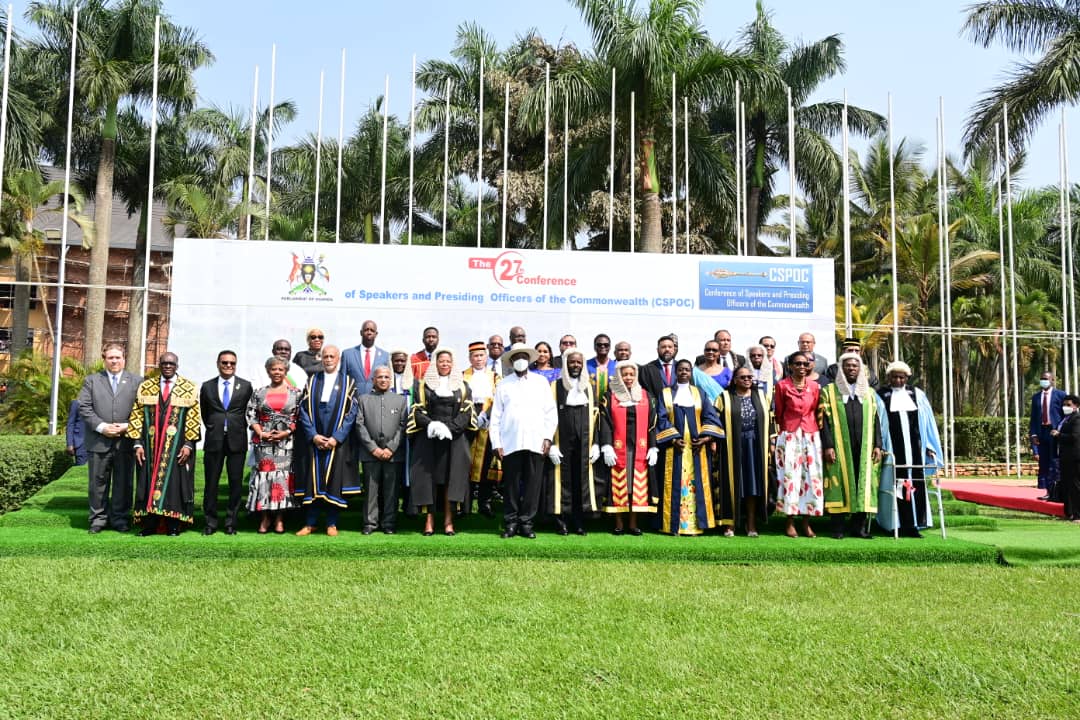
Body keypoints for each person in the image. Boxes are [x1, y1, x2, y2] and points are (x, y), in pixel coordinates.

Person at [127, 352, 201, 536]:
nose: (168, 366)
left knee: (174, 484)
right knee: (147, 481)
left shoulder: (189, 388)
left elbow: (194, 418)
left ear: (177, 365)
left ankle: (173, 525)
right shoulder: (146, 387)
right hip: (150, 447)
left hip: (176, 447)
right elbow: (136, 415)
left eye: (171, 363)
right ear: (159, 365)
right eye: (164, 363)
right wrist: (137, 443)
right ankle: (149, 525)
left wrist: (189, 445)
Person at [489, 343, 558, 538]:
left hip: (536, 441)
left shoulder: (540, 382)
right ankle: (510, 522)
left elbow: (550, 413)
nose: (520, 360)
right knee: (510, 484)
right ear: (511, 361)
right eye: (516, 356)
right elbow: (496, 416)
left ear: (529, 359)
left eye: (523, 356)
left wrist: (547, 437)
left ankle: (526, 522)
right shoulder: (504, 384)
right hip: (510, 441)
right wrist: (497, 443)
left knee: (532, 484)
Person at [406, 348, 476, 536]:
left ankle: (448, 521)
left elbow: (467, 413)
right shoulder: (423, 385)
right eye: (441, 361)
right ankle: (429, 520)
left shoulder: (463, 386)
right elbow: (417, 411)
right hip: (429, 438)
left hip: (454, 440)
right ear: (435, 363)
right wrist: (432, 426)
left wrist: (449, 429)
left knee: (449, 481)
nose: (444, 364)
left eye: (447, 361)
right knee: (428, 479)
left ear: (452, 364)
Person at [819, 353, 886, 539]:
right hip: (840, 448)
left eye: (855, 366)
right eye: (847, 365)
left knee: (862, 484)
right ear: (841, 368)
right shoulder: (830, 391)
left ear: (861, 369)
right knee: (839, 483)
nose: (851, 369)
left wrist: (877, 445)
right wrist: (828, 446)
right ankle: (838, 528)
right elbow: (822, 421)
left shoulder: (869, 393)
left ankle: (859, 528)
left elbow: (876, 421)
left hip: (864, 449)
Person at [296, 345, 360, 536]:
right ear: (321, 358)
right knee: (313, 480)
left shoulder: (349, 382)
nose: (329, 359)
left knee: (333, 480)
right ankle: (310, 523)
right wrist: (313, 435)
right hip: (315, 439)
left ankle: (331, 523)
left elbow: (352, 413)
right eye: (325, 356)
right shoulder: (312, 380)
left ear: (338, 358)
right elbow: (303, 411)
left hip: (336, 441)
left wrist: (337, 438)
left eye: (332, 356)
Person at [655, 359, 724, 535]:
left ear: (691, 372)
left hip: (697, 449)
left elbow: (710, 416)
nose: (684, 372)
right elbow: (661, 418)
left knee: (697, 486)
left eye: (687, 369)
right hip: (674, 449)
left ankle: (696, 526)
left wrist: (706, 438)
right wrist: (673, 439)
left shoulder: (700, 393)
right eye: (681, 369)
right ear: (676, 372)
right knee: (673, 484)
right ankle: (672, 526)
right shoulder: (665, 393)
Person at [77, 343, 139, 533]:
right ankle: (98, 519)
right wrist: (102, 427)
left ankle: (120, 519)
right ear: (104, 360)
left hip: (125, 443)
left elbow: (143, 410)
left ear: (124, 359)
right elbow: (84, 407)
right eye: (110, 358)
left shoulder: (137, 382)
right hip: (99, 442)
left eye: (117, 357)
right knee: (97, 483)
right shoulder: (92, 381)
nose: (114, 361)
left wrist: (128, 426)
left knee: (123, 483)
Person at [877, 361, 943, 538]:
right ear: (889, 377)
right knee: (896, 484)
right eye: (894, 377)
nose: (898, 380)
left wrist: (929, 446)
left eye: (902, 377)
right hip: (892, 449)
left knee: (915, 484)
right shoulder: (881, 395)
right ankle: (897, 523)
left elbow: (927, 422)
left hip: (916, 450)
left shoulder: (917, 395)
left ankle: (914, 523)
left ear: (907, 378)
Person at [598, 361, 658, 534]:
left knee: (635, 487)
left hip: (640, 448)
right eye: (625, 374)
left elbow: (652, 423)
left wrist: (653, 446)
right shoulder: (609, 396)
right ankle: (619, 524)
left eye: (632, 374)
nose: (629, 377)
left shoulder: (646, 396)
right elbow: (605, 422)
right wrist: (607, 445)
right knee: (619, 485)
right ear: (618, 376)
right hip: (619, 449)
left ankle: (633, 523)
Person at [545, 349, 601, 535]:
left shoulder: (589, 387)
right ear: (565, 364)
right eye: (572, 362)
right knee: (562, 479)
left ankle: (579, 520)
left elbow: (597, 416)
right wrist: (551, 443)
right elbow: (547, 416)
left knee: (580, 480)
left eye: (578, 362)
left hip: (584, 441)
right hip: (562, 440)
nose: (575, 365)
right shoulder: (555, 386)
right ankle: (561, 520)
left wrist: (596, 443)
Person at [714, 367, 773, 537]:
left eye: (749, 377)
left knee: (752, 484)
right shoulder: (724, 398)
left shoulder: (762, 397)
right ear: (734, 380)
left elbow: (771, 420)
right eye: (743, 377)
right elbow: (714, 420)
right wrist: (714, 441)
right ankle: (729, 522)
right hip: (732, 445)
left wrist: (771, 443)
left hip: (756, 444)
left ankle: (751, 522)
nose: (747, 380)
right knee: (733, 482)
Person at [199, 350, 253, 535]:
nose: (228, 366)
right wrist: (217, 426)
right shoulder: (207, 386)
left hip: (237, 441)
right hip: (214, 440)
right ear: (218, 363)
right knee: (211, 483)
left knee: (235, 483)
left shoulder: (246, 386)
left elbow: (249, 412)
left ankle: (231, 523)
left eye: (232, 363)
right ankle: (210, 523)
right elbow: (205, 413)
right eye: (225, 363)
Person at [246, 356, 301, 534]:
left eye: (280, 369)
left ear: (286, 371)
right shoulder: (259, 392)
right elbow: (251, 415)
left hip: (286, 444)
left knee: (282, 480)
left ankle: (279, 519)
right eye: (273, 369)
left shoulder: (296, 393)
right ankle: (265, 518)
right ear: (268, 371)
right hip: (264, 443)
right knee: (264, 479)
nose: (277, 372)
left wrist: (287, 431)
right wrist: (261, 432)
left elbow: (300, 417)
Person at [774, 351, 824, 537]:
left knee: (810, 477)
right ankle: (789, 521)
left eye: (805, 364)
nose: (802, 367)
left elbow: (816, 410)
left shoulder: (815, 386)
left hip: (810, 435)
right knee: (790, 477)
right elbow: (779, 412)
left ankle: (806, 521)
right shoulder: (782, 386)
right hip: (789, 434)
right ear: (791, 366)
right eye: (798, 364)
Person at [355, 366, 408, 534]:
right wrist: (373, 448)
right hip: (371, 454)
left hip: (393, 455)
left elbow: (403, 426)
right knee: (371, 491)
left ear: (390, 380)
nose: (383, 380)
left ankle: (389, 524)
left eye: (386, 377)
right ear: (373, 380)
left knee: (391, 491)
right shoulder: (363, 399)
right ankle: (370, 524)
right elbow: (359, 425)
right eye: (380, 377)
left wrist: (391, 448)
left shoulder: (400, 400)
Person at [463, 341, 500, 516]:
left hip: (488, 419)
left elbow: (498, 399)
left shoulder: (494, 376)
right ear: (470, 358)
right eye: (475, 356)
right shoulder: (463, 375)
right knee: (466, 462)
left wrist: (487, 415)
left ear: (486, 357)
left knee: (486, 463)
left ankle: (485, 503)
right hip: (468, 420)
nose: (478, 359)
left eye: (481, 355)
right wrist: (471, 416)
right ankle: (466, 504)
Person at [1030, 371, 1066, 498]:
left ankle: (1054, 491)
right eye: (1041, 378)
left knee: (1054, 462)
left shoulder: (1061, 395)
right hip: (1041, 432)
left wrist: (1061, 431)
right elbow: (1033, 418)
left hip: (1054, 431)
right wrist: (1033, 435)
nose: (1043, 381)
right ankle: (1045, 490)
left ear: (1052, 380)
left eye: (1045, 378)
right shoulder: (1036, 397)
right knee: (1043, 462)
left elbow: (1065, 415)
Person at [341, 319, 389, 397]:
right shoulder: (347, 355)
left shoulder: (385, 356)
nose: (369, 332)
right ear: (361, 333)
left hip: (375, 402)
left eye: (372, 330)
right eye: (366, 330)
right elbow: (342, 380)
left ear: (376, 334)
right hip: (354, 403)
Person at [1052, 394, 1080, 522]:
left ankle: (1077, 514)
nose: (1065, 407)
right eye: (1064, 405)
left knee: (1075, 486)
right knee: (1066, 485)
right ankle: (1068, 513)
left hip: (1074, 457)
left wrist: (1059, 434)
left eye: (1068, 405)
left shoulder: (1077, 419)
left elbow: (1074, 437)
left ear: (1076, 406)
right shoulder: (1066, 419)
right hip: (1064, 457)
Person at [638, 335, 678, 402]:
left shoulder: (682, 368)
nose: (667, 349)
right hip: (656, 410)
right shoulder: (647, 369)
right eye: (663, 347)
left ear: (674, 350)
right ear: (657, 350)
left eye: (670, 347)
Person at [587, 333, 616, 399]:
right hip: (591, 404)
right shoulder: (585, 365)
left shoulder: (616, 367)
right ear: (594, 347)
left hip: (610, 405)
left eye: (606, 345)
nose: (603, 346)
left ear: (610, 347)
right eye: (599, 345)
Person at [66, 399, 87, 466]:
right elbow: (70, 424)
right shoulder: (77, 403)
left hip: (97, 444)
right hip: (81, 444)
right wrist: (70, 444)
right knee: (80, 471)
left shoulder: (99, 403)